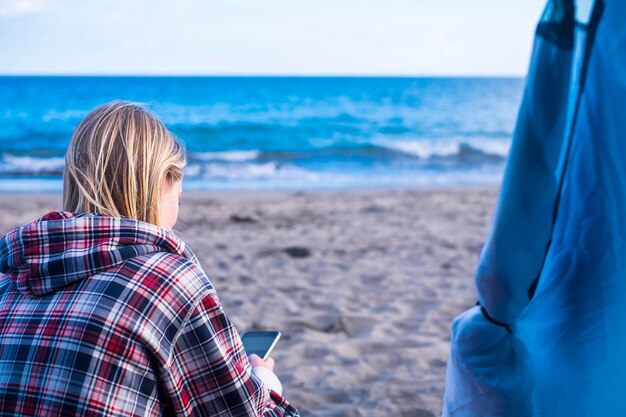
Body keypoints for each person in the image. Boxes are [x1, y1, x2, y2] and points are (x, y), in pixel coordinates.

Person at [0, 101, 299, 417]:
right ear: (162, 181)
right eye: (179, 196)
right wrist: (266, 383)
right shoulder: (169, 281)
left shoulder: (8, 282)